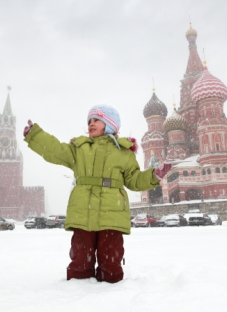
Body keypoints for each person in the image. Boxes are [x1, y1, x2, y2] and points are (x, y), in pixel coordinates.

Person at [23, 104, 172, 283]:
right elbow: (55, 150)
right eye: (89, 121)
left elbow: (134, 180)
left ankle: (113, 292)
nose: (91, 124)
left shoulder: (123, 152)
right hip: (83, 211)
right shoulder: (80, 149)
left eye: (96, 120)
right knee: (80, 255)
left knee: (110, 258)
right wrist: (35, 136)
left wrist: (154, 175)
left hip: (112, 214)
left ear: (109, 125)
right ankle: (76, 289)